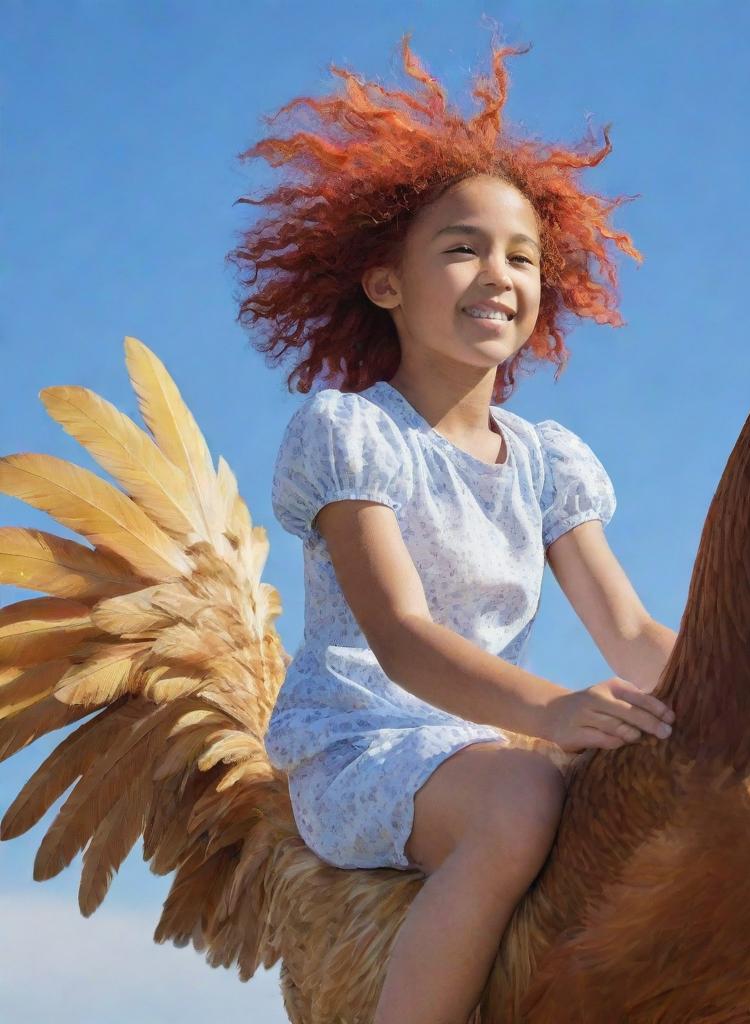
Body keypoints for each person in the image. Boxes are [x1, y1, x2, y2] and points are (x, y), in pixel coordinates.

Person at [228, 32, 678, 1024]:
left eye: (522, 255)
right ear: (384, 282)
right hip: (368, 743)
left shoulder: (548, 457)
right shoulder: (352, 433)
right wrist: (553, 714)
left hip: (483, 744)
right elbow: (401, 634)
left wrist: (738, 692)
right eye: (463, 247)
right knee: (526, 800)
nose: (498, 272)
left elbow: (631, 632)